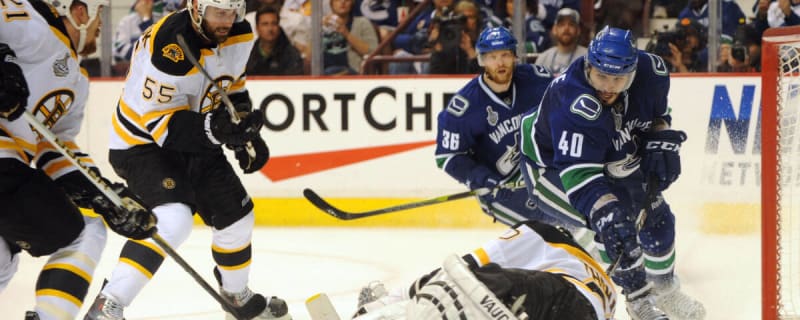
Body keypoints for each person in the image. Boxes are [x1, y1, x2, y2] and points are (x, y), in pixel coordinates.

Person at [84, 0, 287, 318]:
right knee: (173, 220)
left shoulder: (240, 33)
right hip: (142, 143)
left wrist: (243, 130)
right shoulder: (169, 48)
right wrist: (219, 131)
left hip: (197, 138)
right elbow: (163, 127)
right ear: (196, 9)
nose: (226, 21)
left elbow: (231, 87)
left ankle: (235, 296)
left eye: (232, 13)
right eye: (219, 13)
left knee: (237, 217)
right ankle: (108, 304)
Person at [519, 26, 706, 320]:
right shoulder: (572, 100)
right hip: (553, 167)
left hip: (610, 153)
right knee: (615, 228)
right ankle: (639, 300)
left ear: (632, 73)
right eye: (601, 76)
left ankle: (666, 292)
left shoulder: (652, 72)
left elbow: (657, 115)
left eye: (618, 79)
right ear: (588, 66)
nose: (608, 86)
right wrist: (609, 214)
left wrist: (661, 138)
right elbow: (581, 179)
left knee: (658, 218)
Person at [0, 0, 156, 319]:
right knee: (84, 232)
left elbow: (54, 148)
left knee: (3, 259)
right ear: (80, 12)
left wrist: (105, 195)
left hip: (10, 172)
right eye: (100, 15)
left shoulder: (78, 81)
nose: (101, 26)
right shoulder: (30, 20)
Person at [434, 26, 581, 231]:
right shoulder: (464, 108)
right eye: (492, 57)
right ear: (481, 60)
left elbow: (565, 112)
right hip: (501, 193)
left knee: (579, 219)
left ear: (514, 57)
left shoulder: (537, 80)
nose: (500, 63)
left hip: (542, 173)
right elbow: (447, 157)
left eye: (505, 55)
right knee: (551, 232)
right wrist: (483, 179)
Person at [352, 220, 616, 320]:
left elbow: (464, 268)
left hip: (558, 299)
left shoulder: (542, 233)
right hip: (576, 312)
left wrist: (385, 303)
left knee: (458, 285)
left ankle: (383, 314)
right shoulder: (608, 289)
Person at [322, 0, 378, 75]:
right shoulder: (322, 25)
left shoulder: (362, 23)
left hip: (351, 71)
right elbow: (309, 56)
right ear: (331, 3)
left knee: (332, 71)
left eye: (347, 0)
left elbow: (372, 52)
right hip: (323, 73)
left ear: (352, 3)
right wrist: (319, 28)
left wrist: (346, 34)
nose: (343, 2)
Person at [246, 5, 305, 75]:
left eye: (274, 24)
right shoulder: (247, 55)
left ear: (279, 27)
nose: (270, 29)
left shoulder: (292, 55)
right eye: (265, 24)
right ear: (257, 28)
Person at [534, 7, 586, 75]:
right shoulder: (543, 58)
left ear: (578, 30)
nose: (566, 28)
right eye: (562, 25)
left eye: (571, 25)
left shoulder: (587, 58)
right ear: (554, 30)